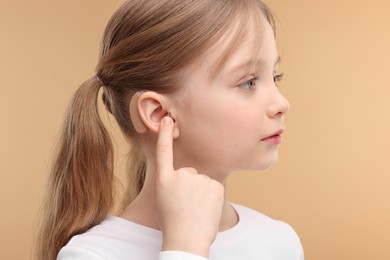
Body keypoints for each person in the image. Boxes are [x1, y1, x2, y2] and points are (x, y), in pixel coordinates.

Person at [35, 0, 304, 259]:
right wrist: (185, 248)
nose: (282, 103)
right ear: (159, 113)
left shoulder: (279, 242)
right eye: (248, 83)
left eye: (275, 77)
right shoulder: (93, 254)